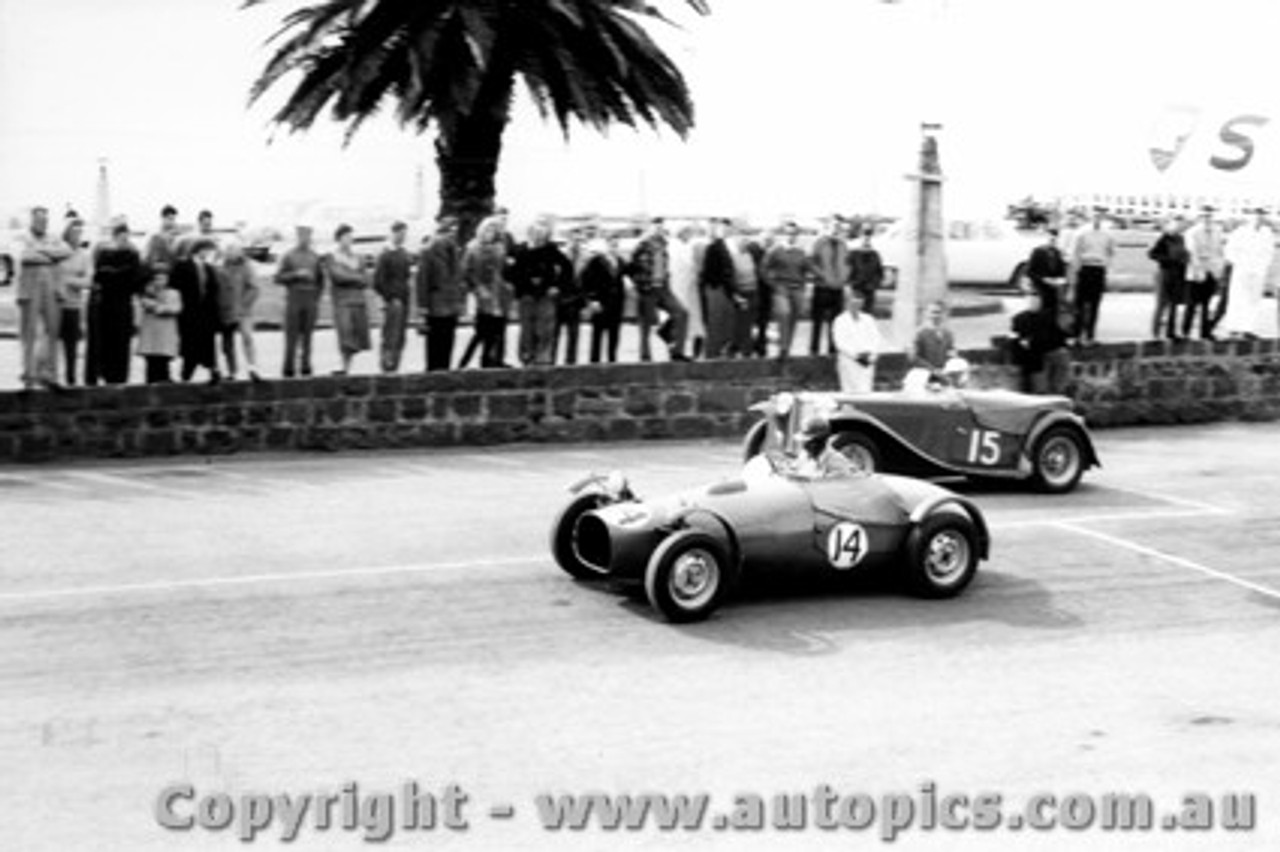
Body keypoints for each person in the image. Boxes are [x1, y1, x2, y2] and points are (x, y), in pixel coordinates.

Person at [14, 206, 72, 389]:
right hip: (29, 290)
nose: (43, 223)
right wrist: (50, 255)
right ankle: (28, 374)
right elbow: (24, 256)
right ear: (32, 220)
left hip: (50, 289)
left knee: (52, 331)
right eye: (39, 220)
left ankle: (50, 374)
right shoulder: (22, 237)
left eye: (45, 220)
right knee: (28, 333)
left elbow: (66, 251)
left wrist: (42, 251)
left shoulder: (53, 237)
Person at [88, 220, 144, 385]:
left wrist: (113, 275)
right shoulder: (104, 254)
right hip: (107, 305)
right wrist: (119, 275)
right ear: (114, 237)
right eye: (121, 237)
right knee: (108, 342)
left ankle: (120, 376)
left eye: (126, 237)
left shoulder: (133, 255)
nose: (124, 241)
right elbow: (99, 277)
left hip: (123, 305)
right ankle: (107, 374)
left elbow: (134, 281)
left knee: (122, 343)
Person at [628, 217, 689, 362]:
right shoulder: (641, 246)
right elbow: (631, 268)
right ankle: (645, 356)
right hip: (647, 289)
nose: (659, 230)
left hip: (663, 287)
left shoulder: (664, 245)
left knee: (682, 313)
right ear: (650, 228)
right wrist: (638, 286)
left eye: (661, 227)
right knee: (646, 324)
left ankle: (677, 351)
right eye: (656, 227)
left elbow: (664, 266)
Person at [510, 220, 570, 366]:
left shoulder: (551, 250)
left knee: (545, 329)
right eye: (536, 233)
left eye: (542, 234)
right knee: (527, 329)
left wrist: (557, 286)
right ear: (530, 233)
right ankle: (526, 357)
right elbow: (511, 273)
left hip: (545, 296)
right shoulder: (520, 250)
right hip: (526, 295)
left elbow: (567, 268)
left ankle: (543, 359)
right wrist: (520, 286)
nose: (539, 237)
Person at [459, 215, 512, 369]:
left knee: (499, 331)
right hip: (482, 295)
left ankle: (492, 362)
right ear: (482, 229)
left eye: (494, 230)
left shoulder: (500, 247)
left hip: (499, 294)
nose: (491, 232)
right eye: (489, 229)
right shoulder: (472, 247)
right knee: (481, 332)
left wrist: (507, 285)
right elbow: (465, 272)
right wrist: (476, 288)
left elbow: (505, 270)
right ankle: (464, 362)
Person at [417, 215, 464, 371]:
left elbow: (458, 280)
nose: (452, 235)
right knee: (435, 346)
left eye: (455, 231)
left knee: (448, 344)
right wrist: (422, 309)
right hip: (435, 306)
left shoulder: (455, 251)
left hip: (451, 306)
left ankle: (444, 374)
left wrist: (459, 303)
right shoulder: (429, 251)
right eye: (450, 231)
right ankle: (433, 376)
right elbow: (422, 281)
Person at [276, 224, 324, 377]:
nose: (305, 238)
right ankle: (288, 368)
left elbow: (321, 281)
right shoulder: (289, 256)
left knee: (308, 336)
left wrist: (316, 298)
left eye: (308, 235)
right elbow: (278, 277)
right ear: (297, 236)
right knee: (291, 335)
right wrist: (296, 274)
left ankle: (306, 366)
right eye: (302, 235)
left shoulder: (315, 257)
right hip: (294, 297)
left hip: (310, 298)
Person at [172, 238, 222, 383]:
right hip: (189, 312)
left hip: (206, 313)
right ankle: (186, 374)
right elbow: (175, 287)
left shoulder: (209, 268)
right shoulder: (183, 266)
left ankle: (212, 369)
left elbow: (213, 291)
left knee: (208, 343)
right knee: (190, 344)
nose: (207, 253)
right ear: (198, 250)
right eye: (206, 249)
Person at [1219, 207, 1274, 338]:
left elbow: (1269, 252)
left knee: (1253, 300)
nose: (1258, 218)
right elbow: (1230, 251)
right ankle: (1233, 327)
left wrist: (1262, 266)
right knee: (1238, 299)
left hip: (1258, 271)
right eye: (1256, 215)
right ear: (1250, 217)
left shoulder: (1267, 233)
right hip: (1242, 270)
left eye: (1261, 215)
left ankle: (1248, 328)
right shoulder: (1240, 232)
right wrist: (1241, 263)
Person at [762, 221, 812, 360]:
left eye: (794, 233)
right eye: (788, 233)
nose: (791, 236)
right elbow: (764, 268)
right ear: (783, 234)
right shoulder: (775, 250)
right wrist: (772, 283)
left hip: (797, 289)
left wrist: (804, 286)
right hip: (781, 288)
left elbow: (806, 269)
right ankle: (783, 348)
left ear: (797, 235)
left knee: (794, 318)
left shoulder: (801, 252)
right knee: (784, 313)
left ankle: (786, 349)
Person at [326, 224, 372, 375]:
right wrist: (356, 277)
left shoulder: (358, 258)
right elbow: (337, 276)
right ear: (339, 239)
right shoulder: (332, 257)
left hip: (358, 301)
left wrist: (353, 278)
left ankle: (346, 367)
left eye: (351, 236)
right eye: (346, 237)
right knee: (345, 334)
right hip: (342, 301)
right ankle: (344, 366)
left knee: (355, 335)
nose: (349, 240)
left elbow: (366, 280)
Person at [217, 240, 262, 381]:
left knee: (247, 337)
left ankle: (252, 367)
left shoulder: (246, 267)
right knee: (227, 343)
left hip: (243, 310)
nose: (229, 254)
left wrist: (244, 305)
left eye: (232, 250)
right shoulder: (221, 267)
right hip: (226, 310)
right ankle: (232, 371)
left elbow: (254, 288)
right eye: (227, 250)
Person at [1010, 290, 1069, 394]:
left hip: (1047, 352)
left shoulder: (1049, 316)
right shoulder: (1020, 319)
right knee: (1041, 386)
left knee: (1061, 358)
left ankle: (1058, 390)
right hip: (1035, 357)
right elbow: (1018, 339)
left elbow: (1060, 336)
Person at [581, 232, 628, 363]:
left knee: (614, 334)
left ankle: (612, 360)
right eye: (612, 244)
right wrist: (592, 299)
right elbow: (586, 281)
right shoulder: (596, 261)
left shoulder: (620, 261)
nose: (614, 247)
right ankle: (594, 362)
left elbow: (628, 275)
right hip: (601, 302)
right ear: (606, 245)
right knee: (597, 334)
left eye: (616, 245)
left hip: (617, 303)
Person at [1071, 207, 1116, 345]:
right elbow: (1076, 252)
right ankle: (1077, 336)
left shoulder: (1108, 234)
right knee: (1080, 305)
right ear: (1090, 216)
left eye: (1100, 215)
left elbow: (1111, 252)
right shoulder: (1082, 232)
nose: (1097, 218)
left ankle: (1090, 335)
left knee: (1095, 305)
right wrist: (1076, 272)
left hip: (1098, 269)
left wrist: (1107, 268)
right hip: (1085, 268)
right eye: (1095, 215)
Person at [373, 221, 412, 373]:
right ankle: (387, 365)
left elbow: (407, 275)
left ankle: (396, 365)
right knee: (390, 334)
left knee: (401, 336)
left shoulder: (403, 253)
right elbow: (378, 281)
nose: (403, 237)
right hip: (393, 301)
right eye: (400, 233)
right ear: (394, 233)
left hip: (404, 298)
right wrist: (389, 297)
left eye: (404, 234)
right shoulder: (385, 254)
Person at [57, 217, 93, 385]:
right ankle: (51, 380)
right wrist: (73, 279)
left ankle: (71, 380)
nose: (77, 235)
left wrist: (69, 280)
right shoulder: (58, 251)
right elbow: (53, 276)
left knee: (71, 347)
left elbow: (88, 282)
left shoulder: (84, 256)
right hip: (56, 305)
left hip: (73, 307)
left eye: (80, 232)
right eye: (74, 231)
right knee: (52, 345)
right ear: (67, 232)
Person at [1182, 206, 1226, 339]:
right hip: (1196, 272)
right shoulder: (1192, 232)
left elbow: (1220, 251)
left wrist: (1218, 269)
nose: (1207, 219)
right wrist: (1199, 271)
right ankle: (1185, 332)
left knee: (1207, 304)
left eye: (1210, 216)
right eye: (1204, 216)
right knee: (1192, 303)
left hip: (1211, 271)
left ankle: (1205, 332)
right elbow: (1192, 253)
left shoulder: (1218, 231)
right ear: (1199, 217)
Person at [699, 218, 740, 359]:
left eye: (727, 228)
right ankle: (711, 353)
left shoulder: (725, 246)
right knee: (715, 323)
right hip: (716, 288)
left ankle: (718, 351)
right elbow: (708, 271)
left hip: (723, 289)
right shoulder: (713, 246)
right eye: (722, 228)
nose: (725, 231)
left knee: (723, 322)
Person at [809, 216, 849, 355]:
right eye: (834, 226)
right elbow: (811, 262)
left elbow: (846, 263)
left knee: (835, 323)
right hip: (822, 287)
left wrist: (844, 277)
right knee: (817, 322)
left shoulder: (843, 244)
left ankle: (832, 351)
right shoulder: (819, 243)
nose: (836, 229)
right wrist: (822, 275)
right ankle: (814, 350)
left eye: (838, 227)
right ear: (828, 227)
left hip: (838, 288)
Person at [831, 288, 881, 393]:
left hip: (867, 361)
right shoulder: (840, 320)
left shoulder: (869, 319)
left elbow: (876, 338)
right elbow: (840, 342)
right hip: (849, 360)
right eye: (853, 303)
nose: (856, 306)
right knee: (849, 390)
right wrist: (856, 356)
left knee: (866, 389)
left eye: (859, 304)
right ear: (847, 303)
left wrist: (872, 355)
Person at [1148, 215, 1190, 340]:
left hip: (1178, 274)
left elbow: (1185, 255)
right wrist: (1168, 260)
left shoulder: (1181, 239)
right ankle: (1155, 333)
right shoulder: (1164, 238)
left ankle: (1170, 332)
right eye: (1177, 224)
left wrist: (1184, 261)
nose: (1180, 227)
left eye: (1182, 225)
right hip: (1165, 272)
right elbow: (1152, 254)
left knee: (1174, 304)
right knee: (1161, 303)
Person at [669, 223, 707, 358]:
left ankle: (683, 349)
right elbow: (688, 267)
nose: (690, 235)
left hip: (688, 289)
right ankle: (679, 350)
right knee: (686, 322)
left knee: (692, 322)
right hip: (682, 290)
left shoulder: (685, 247)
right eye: (688, 232)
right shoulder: (677, 248)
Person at [136, 272, 182, 383]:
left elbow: (176, 308)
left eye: (163, 279)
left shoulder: (173, 293)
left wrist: (158, 307)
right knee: (152, 361)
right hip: (151, 334)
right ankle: (152, 382)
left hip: (165, 333)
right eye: (157, 279)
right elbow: (144, 303)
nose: (160, 282)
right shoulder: (147, 293)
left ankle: (164, 380)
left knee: (163, 360)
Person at [904, 300, 961, 389]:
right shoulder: (919, 333)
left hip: (943, 375)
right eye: (933, 312)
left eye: (940, 313)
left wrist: (953, 359)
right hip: (922, 375)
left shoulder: (948, 334)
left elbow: (950, 352)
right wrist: (932, 369)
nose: (936, 316)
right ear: (926, 314)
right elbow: (913, 357)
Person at [787, 416, 860, 479]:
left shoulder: (835, 462)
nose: (805, 445)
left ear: (820, 441)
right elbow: (794, 469)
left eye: (810, 442)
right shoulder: (806, 455)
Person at [729, 229, 761, 357]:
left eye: (745, 241)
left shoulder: (751, 255)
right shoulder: (733, 258)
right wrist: (736, 295)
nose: (744, 244)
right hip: (741, 293)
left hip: (753, 291)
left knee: (749, 322)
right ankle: (742, 349)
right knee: (742, 322)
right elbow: (731, 277)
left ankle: (743, 348)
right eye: (741, 241)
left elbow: (755, 272)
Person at [1026, 227, 1069, 318]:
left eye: (1055, 239)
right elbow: (1029, 272)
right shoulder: (1037, 252)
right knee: (1041, 314)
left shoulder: (1058, 253)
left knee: (1052, 313)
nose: (1053, 241)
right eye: (1051, 238)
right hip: (1040, 289)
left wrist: (1060, 280)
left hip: (1054, 289)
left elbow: (1061, 272)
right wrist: (1043, 279)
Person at [846, 226, 884, 316]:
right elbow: (848, 269)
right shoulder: (854, 254)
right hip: (857, 288)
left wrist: (875, 283)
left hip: (870, 289)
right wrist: (852, 282)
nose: (867, 238)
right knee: (855, 313)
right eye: (865, 235)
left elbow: (879, 271)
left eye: (869, 235)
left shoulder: (875, 254)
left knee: (868, 314)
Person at [143, 204, 181, 277]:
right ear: (162, 218)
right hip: (157, 271)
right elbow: (147, 257)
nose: (172, 222)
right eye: (170, 219)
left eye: (173, 219)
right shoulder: (154, 235)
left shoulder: (175, 235)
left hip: (171, 270)